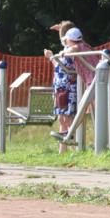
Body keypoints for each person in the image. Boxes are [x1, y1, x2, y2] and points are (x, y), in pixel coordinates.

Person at [44, 23, 80, 153]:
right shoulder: (67, 50)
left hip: (67, 88)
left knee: (68, 119)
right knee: (62, 119)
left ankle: (75, 149)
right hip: (61, 88)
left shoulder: (70, 50)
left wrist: (51, 57)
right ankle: (62, 151)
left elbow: (60, 66)